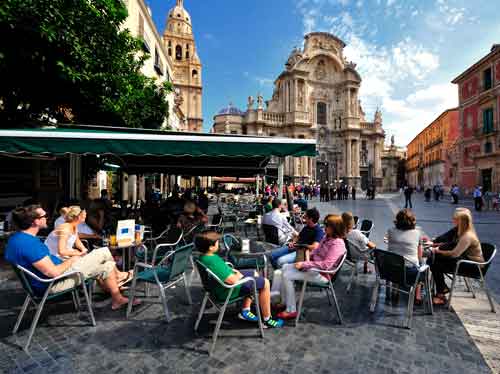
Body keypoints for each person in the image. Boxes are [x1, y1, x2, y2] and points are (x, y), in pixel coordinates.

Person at [5, 205, 136, 310]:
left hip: (47, 280)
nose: (47, 217)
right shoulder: (29, 244)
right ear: (35, 221)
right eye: (44, 216)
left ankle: (117, 299)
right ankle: (119, 277)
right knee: (102, 252)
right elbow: (53, 272)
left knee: (106, 265)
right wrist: (72, 260)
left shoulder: (15, 239)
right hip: (53, 284)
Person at [195, 231, 283, 328]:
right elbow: (233, 281)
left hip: (217, 287)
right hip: (226, 291)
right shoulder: (212, 260)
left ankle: (245, 310)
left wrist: (232, 271)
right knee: (265, 283)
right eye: (216, 242)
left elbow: (221, 269)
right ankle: (267, 320)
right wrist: (239, 275)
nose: (218, 243)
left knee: (254, 273)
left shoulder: (204, 257)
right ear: (211, 247)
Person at [273, 214, 346, 319]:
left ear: (334, 228)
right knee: (284, 267)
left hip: (323, 275)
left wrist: (304, 264)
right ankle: (285, 302)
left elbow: (326, 265)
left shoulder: (337, 244)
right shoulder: (327, 238)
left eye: (326, 225)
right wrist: (306, 257)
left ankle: (291, 310)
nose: (324, 227)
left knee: (287, 276)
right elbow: (316, 251)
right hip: (314, 268)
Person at [429, 208, 483, 305]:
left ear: (461, 221)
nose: (453, 221)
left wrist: (438, 251)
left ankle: (441, 292)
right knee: (434, 261)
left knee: (435, 263)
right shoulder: (461, 232)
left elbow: (455, 254)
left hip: (473, 266)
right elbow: (451, 243)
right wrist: (436, 245)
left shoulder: (467, 236)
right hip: (465, 260)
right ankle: (441, 290)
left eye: (455, 219)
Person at [386, 209, 423, 302]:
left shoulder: (390, 231)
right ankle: (417, 296)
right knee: (420, 265)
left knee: (397, 261)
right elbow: (419, 255)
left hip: (389, 270)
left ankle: (395, 291)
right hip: (410, 273)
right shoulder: (417, 233)